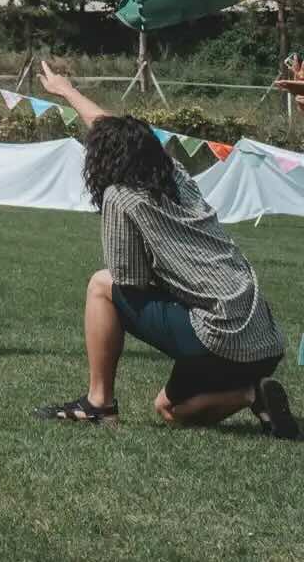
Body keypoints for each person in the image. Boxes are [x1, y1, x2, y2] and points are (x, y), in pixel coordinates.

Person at [31, 63, 296, 437]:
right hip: (264, 340)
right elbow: (110, 130)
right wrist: (68, 91)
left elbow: (130, 280)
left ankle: (99, 404)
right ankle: (257, 393)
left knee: (102, 286)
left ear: (102, 160)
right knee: (167, 408)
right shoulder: (175, 173)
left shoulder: (120, 196)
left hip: (219, 335)